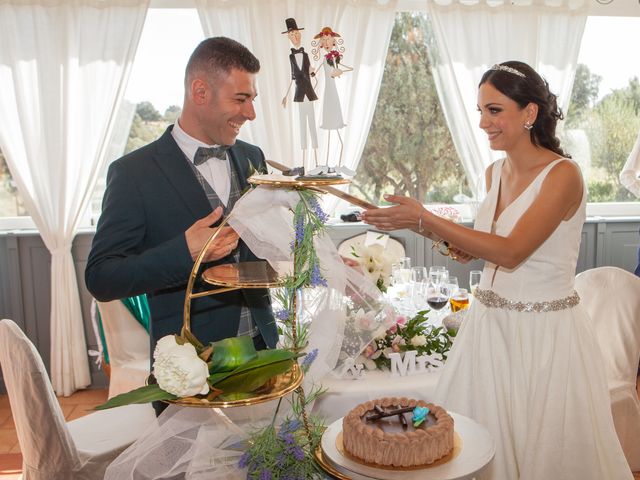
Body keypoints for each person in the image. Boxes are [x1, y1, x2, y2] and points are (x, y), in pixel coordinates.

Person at [362, 61, 632, 479]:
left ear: (529, 113)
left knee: (545, 449)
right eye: (480, 112)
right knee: (477, 442)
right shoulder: (494, 172)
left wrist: (427, 217)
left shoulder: (563, 175)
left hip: (544, 337)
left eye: (494, 110)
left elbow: (510, 252)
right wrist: (417, 224)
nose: (484, 123)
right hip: (489, 330)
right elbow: (478, 251)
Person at [86, 37, 278, 374]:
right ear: (200, 92)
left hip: (263, 354)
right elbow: (102, 277)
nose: (251, 113)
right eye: (240, 99)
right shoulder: (133, 173)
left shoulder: (253, 157)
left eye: (252, 99)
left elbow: (261, 243)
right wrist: (183, 251)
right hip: (191, 371)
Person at [311, 26, 355, 176]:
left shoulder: (334, 57)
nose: (326, 42)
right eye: (323, 40)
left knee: (335, 127)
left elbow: (348, 68)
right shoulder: (325, 58)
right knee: (329, 130)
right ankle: (327, 165)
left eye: (328, 39)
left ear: (333, 41)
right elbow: (314, 74)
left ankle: (339, 164)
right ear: (321, 44)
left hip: (333, 94)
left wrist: (339, 71)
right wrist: (310, 72)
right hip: (327, 94)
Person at [281, 17, 319, 170]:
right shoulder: (291, 57)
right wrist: (286, 95)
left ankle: (317, 162)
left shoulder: (306, 54)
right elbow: (292, 76)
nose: (295, 37)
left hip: (309, 91)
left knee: (312, 124)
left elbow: (310, 69)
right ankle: (303, 163)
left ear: (300, 34)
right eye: (292, 35)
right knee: (302, 125)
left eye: (297, 33)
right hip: (299, 93)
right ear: (288, 37)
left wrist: (313, 72)